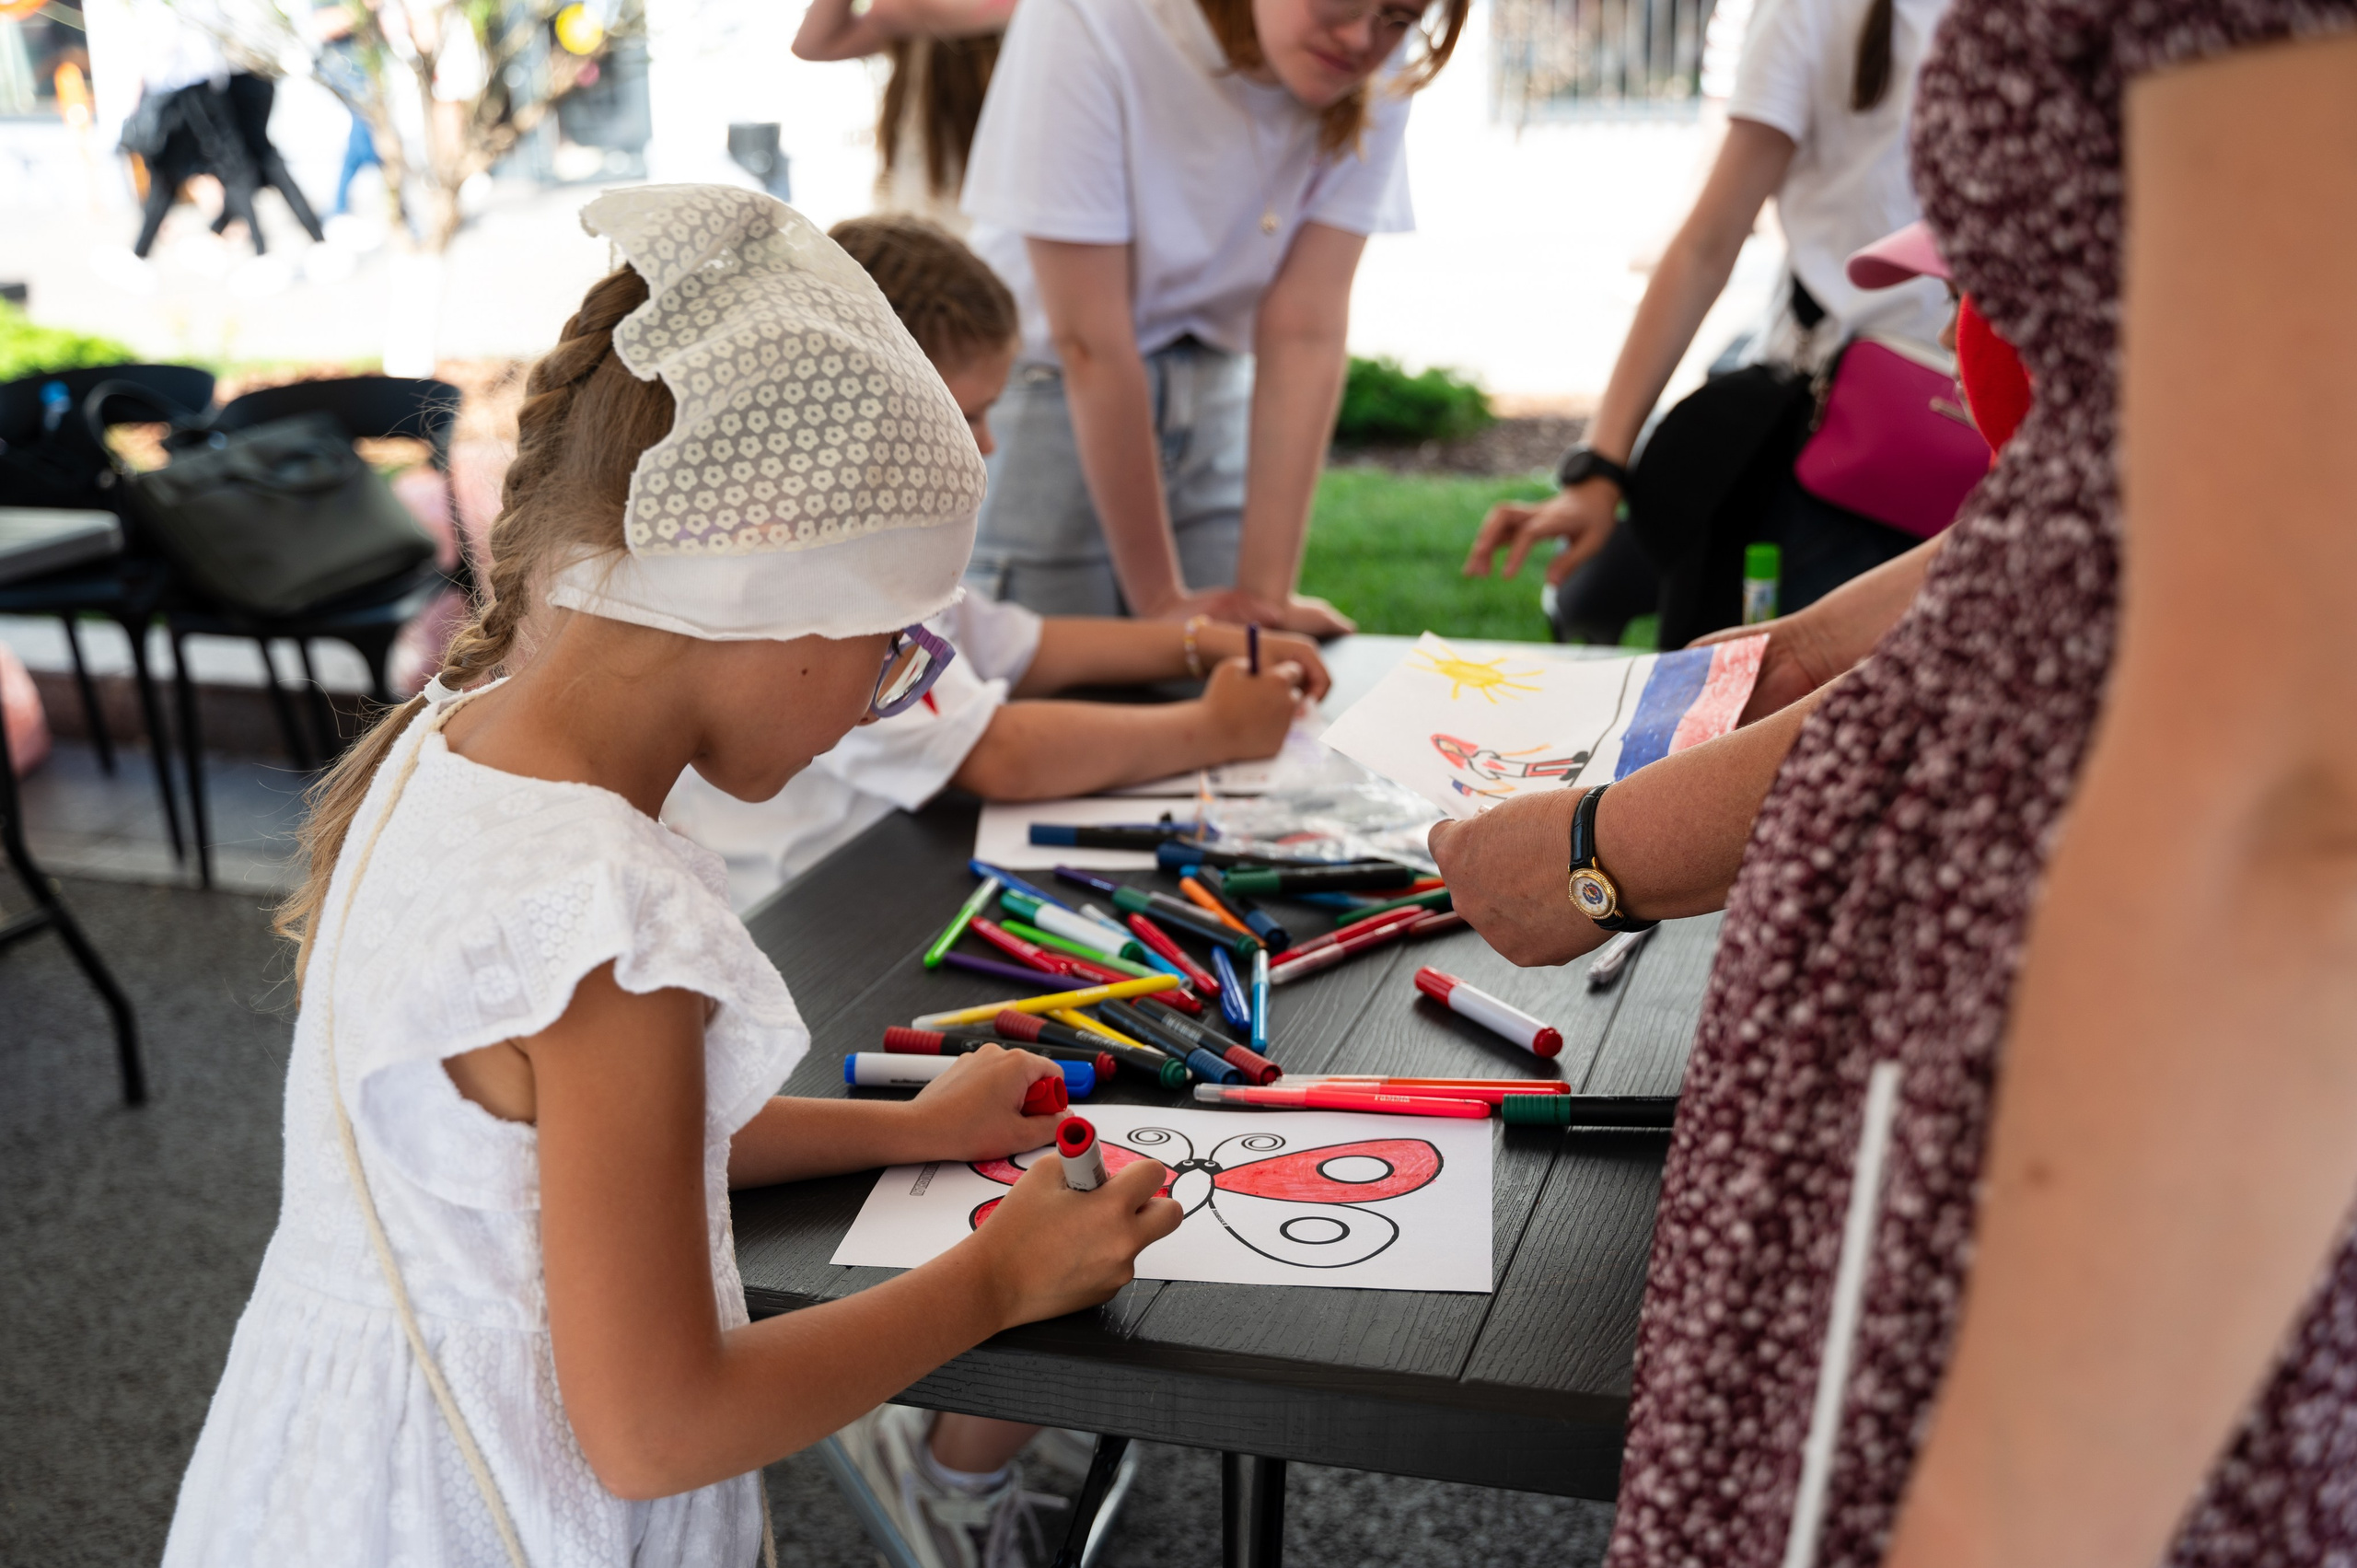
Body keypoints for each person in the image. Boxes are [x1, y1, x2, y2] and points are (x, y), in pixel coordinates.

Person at [1432, 4, 2357, 1562]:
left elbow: (2282, 761)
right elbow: (2120, 479)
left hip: (2084, 1066)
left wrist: (1602, 850)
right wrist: (1806, 643)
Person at [158, 186, 1182, 1568]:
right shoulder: (611, 923)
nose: (885, 694)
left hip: (324, 1481)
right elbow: (656, 1425)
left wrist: (902, 1131)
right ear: (766, 608)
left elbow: (558, 1159)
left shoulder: (441, 753)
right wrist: (993, 1278)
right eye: (893, 645)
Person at [665, 215, 1324, 915]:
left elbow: (1019, 643)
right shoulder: (813, 576)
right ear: (869, 403)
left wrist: (1197, 641)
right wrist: (1217, 730)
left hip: (884, 865)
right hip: (814, 913)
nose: (986, 445)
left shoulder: (871, 536)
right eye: (966, 416)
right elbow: (996, 752)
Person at [955, 0, 1469, 629]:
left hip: (1213, 384)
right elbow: (1090, 337)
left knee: (1230, 690)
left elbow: (1305, 326)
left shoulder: (1381, 71)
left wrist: (1264, 599)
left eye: (1400, 16)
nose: (1363, 37)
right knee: (1059, 693)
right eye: (1338, 3)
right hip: (1051, 394)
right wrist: (1162, 603)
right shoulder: (1093, 16)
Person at [1463, 0, 1953, 647]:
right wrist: (1599, 466)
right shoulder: (1814, 13)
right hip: (1843, 459)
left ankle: (1598, 594)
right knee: (1785, 710)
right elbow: (1707, 242)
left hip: (2003, 448)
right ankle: (1597, 593)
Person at [790, 0, 1015, 232]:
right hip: (927, 201)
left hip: (987, 206)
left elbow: (884, 11)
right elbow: (812, 43)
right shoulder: (919, 28)